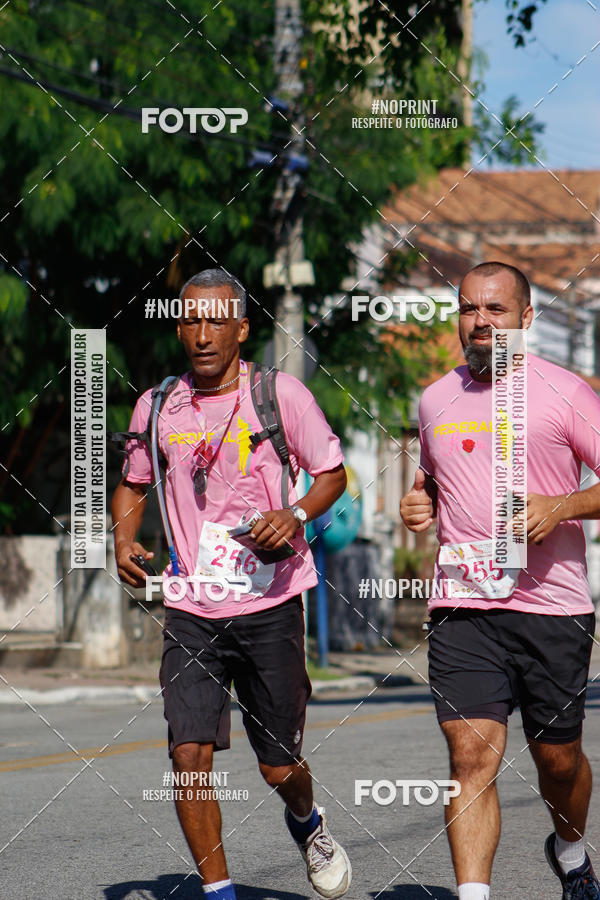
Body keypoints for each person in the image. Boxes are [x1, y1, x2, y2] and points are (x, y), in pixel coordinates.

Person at [111, 268, 351, 900]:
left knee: (277, 765)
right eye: (191, 320)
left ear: (242, 328)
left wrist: (294, 515)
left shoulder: (281, 395)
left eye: (217, 320)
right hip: (192, 606)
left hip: (270, 602)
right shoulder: (159, 405)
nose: (202, 333)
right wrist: (121, 536)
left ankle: (307, 820)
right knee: (188, 755)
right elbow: (135, 483)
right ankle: (219, 893)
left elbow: (332, 473)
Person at [400, 261, 600, 900]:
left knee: (558, 760)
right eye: (468, 309)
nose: (480, 323)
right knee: (470, 757)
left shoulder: (567, 392)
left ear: (526, 319)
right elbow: (429, 482)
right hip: (464, 607)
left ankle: (569, 849)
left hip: (553, 608)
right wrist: (417, 502)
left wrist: (561, 506)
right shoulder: (437, 398)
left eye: (496, 310)